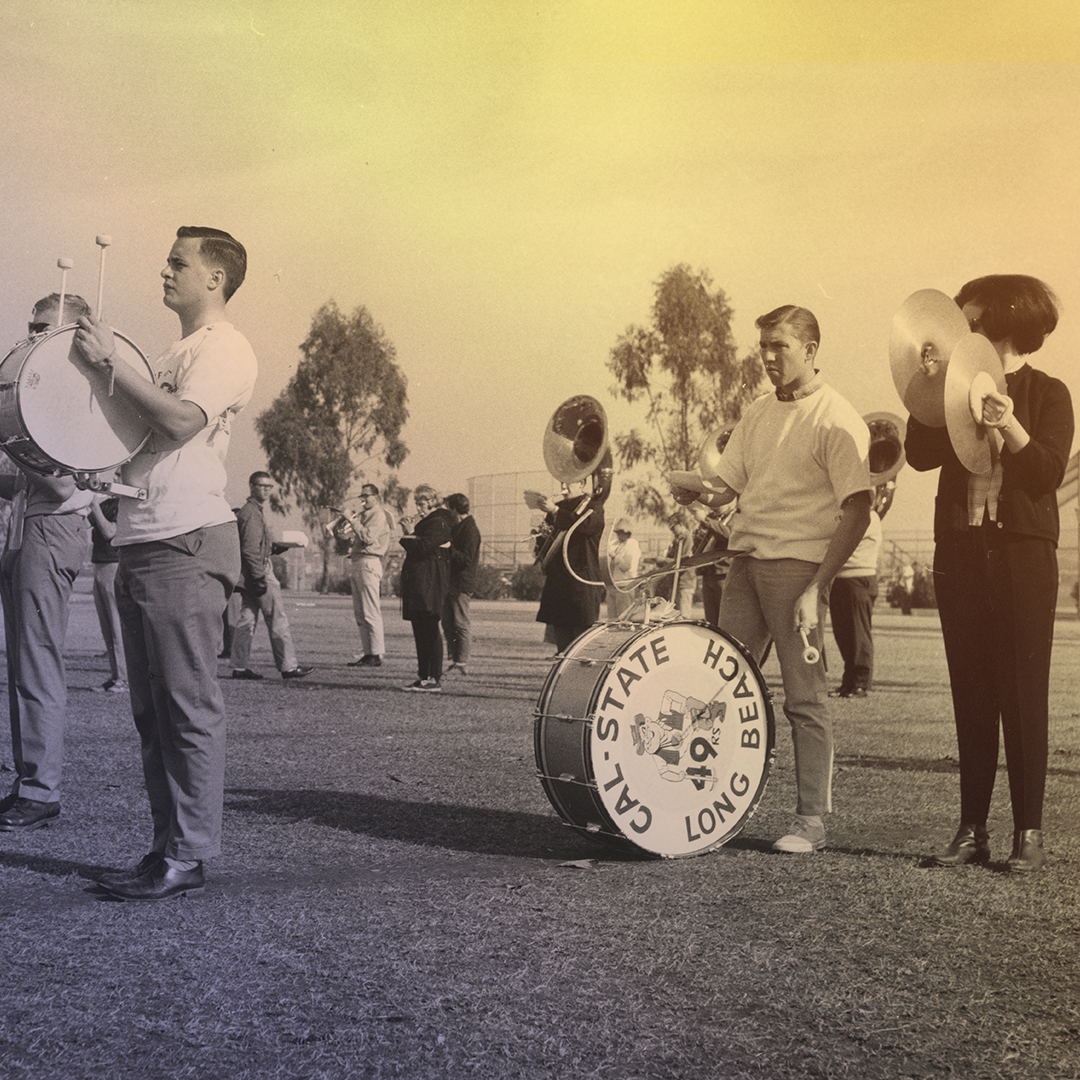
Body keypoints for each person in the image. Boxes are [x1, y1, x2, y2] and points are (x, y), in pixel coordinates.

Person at [73, 225, 257, 900]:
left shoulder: (225, 347)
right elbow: (150, 440)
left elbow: (182, 423)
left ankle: (188, 854)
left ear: (215, 278)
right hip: (145, 538)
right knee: (152, 712)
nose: (165, 271)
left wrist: (109, 368)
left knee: (185, 706)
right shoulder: (176, 350)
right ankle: (165, 850)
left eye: (179, 263)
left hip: (186, 540)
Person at [672, 304, 872, 854]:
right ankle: (707, 803)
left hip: (798, 572)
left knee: (803, 700)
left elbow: (858, 509)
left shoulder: (837, 417)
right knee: (717, 690)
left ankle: (811, 821)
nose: (767, 357)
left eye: (779, 346)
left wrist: (817, 586)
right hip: (744, 564)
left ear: (810, 350)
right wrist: (690, 486)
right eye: (763, 346)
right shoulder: (758, 412)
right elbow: (726, 488)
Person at [906, 275, 1073, 873]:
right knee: (970, 692)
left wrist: (1007, 423)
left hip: (1025, 557)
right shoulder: (947, 389)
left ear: (1001, 324)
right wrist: (929, 386)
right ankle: (971, 827)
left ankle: (1028, 832)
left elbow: (1045, 473)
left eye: (968, 321)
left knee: (1024, 695)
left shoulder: (1049, 392)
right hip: (962, 552)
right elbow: (920, 454)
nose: (959, 331)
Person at [0, 294, 94, 832]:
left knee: (36, 662)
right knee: (22, 662)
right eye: (30, 326)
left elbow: (59, 483)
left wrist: (7, 436)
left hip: (52, 527)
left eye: (42, 328)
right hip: (30, 526)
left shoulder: (71, 397)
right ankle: (29, 779)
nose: (31, 336)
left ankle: (41, 788)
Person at [229, 471, 312, 682]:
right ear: (252, 486)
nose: (265, 490)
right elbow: (249, 549)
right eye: (261, 485)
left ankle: (239, 666)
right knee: (277, 618)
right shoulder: (251, 513)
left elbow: (254, 545)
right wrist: (259, 577)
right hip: (259, 571)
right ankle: (288, 666)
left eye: (269, 486)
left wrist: (273, 547)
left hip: (250, 572)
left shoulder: (252, 511)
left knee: (247, 619)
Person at [535, 481, 605, 652]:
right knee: (562, 642)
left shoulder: (594, 505)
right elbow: (549, 547)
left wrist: (556, 512)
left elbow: (585, 527)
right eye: (562, 480)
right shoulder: (557, 508)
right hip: (558, 581)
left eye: (569, 480)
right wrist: (541, 536)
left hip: (581, 579)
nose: (564, 484)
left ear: (582, 483)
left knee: (581, 641)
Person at [399, 485, 453, 691]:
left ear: (431, 502)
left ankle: (433, 678)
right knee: (420, 629)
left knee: (429, 630)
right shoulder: (429, 523)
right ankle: (424, 676)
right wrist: (412, 534)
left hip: (428, 584)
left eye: (421, 504)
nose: (418, 508)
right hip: (421, 584)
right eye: (417, 504)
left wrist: (407, 534)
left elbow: (422, 548)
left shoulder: (438, 522)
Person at [827, 507, 882, 698]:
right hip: (842, 578)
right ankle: (849, 683)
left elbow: (842, 539)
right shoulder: (848, 515)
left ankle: (860, 683)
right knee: (844, 635)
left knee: (858, 634)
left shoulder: (867, 516)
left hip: (858, 577)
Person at [343, 483, 392, 667]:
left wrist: (351, 520)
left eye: (366, 496)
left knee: (371, 610)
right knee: (360, 612)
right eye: (362, 496)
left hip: (369, 562)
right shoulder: (365, 515)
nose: (363, 499)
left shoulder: (378, 515)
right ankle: (368, 652)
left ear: (376, 497)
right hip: (358, 561)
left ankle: (377, 653)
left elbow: (368, 538)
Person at [89, 493, 127, 693]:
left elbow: (109, 532)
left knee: (115, 626)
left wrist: (94, 504)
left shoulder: (121, 504)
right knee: (107, 626)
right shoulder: (107, 504)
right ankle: (116, 676)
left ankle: (123, 677)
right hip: (100, 566)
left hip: (112, 566)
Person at [442, 492, 481, 675]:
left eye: (448, 508)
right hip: (451, 582)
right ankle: (455, 659)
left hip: (461, 583)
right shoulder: (458, 527)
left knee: (460, 623)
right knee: (448, 623)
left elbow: (466, 559)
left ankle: (462, 661)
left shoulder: (470, 530)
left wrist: (449, 549)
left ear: (454, 509)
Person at [605, 518, 640, 619]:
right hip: (614, 584)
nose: (619, 535)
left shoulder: (632, 544)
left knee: (624, 617)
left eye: (622, 533)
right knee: (612, 618)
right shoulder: (616, 544)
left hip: (625, 585)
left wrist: (614, 556)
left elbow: (626, 566)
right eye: (618, 532)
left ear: (627, 533)